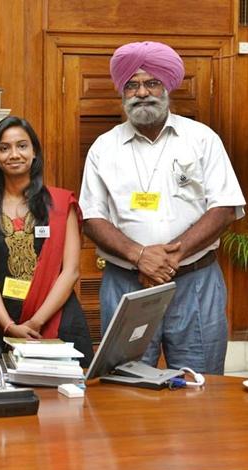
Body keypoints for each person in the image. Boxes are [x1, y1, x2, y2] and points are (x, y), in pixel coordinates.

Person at [79, 41, 245, 374]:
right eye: (132, 85)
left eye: (151, 82)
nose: (142, 92)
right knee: (127, 387)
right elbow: (91, 218)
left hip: (194, 281)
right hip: (127, 283)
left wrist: (169, 258)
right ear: (123, 93)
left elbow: (224, 206)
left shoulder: (201, 138)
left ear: (167, 87)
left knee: (201, 385)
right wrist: (141, 256)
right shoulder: (104, 148)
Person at [0, 116, 94, 366]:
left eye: (22, 146)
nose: (14, 154)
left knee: (70, 399)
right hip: (4, 323)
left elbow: (70, 272)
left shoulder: (58, 203)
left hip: (58, 319)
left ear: (34, 152)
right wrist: (8, 325)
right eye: (4, 148)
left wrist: (36, 322)